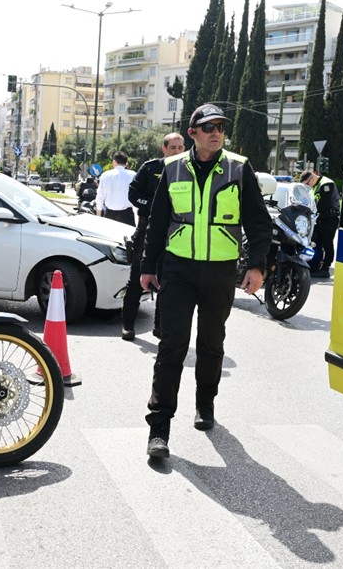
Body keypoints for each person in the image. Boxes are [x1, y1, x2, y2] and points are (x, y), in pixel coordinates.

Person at [140, 104, 271, 459]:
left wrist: (256, 266)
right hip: (179, 270)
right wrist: (148, 266)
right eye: (208, 126)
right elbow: (157, 222)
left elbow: (259, 223)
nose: (216, 132)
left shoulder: (239, 168)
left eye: (221, 127)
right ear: (193, 132)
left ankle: (205, 404)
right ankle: (159, 428)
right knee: (171, 347)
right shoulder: (172, 168)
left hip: (219, 272)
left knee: (211, 346)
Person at [120, 133, 185, 341]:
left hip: (173, 235)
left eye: (180, 147)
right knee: (137, 280)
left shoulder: (186, 170)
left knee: (166, 283)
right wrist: (155, 208)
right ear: (163, 148)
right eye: (172, 147)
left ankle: (159, 327)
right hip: (146, 231)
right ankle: (128, 325)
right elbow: (133, 193)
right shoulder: (150, 168)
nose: (177, 151)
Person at [300, 169, 340, 278]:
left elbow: (323, 204)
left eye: (307, 184)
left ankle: (325, 268)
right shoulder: (314, 186)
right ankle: (315, 266)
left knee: (327, 243)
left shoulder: (326, 184)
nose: (308, 186)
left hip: (330, 219)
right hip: (320, 219)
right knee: (315, 242)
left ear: (312, 178)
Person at [95, 151, 136, 225]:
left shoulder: (105, 175)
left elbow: (100, 197)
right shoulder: (133, 175)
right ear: (126, 163)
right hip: (128, 215)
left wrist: (98, 216)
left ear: (114, 162)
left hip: (110, 215)